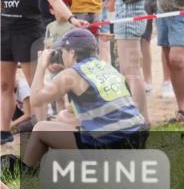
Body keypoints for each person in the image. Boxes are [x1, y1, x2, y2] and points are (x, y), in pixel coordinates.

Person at [4, 28, 147, 175]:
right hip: (138, 136)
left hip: (112, 144)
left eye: (63, 52)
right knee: (65, 117)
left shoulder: (72, 74)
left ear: (72, 52)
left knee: (41, 128)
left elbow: (35, 100)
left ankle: (27, 170)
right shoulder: (106, 67)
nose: (62, 56)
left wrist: (41, 65)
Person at [1, 0, 81, 144]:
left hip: (28, 31)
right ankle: (4, 131)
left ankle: (41, 126)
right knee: (5, 85)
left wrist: (72, 19)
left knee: (34, 82)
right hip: (5, 31)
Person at [103, 0, 161, 121]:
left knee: (132, 73)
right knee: (130, 71)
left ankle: (141, 119)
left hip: (129, 13)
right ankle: (140, 119)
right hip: (129, 12)